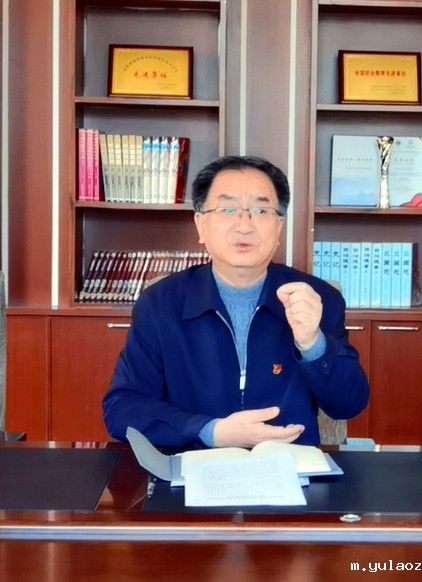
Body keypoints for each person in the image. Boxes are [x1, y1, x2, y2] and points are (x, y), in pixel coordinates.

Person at [103, 155, 369, 448]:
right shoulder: (160, 304)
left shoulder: (317, 299)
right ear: (201, 225)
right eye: (228, 209)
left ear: (279, 228)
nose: (244, 225)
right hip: (192, 466)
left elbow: (349, 405)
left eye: (261, 210)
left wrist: (314, 345)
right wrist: (210, 431)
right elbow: (123, 409)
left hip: (290, 467)